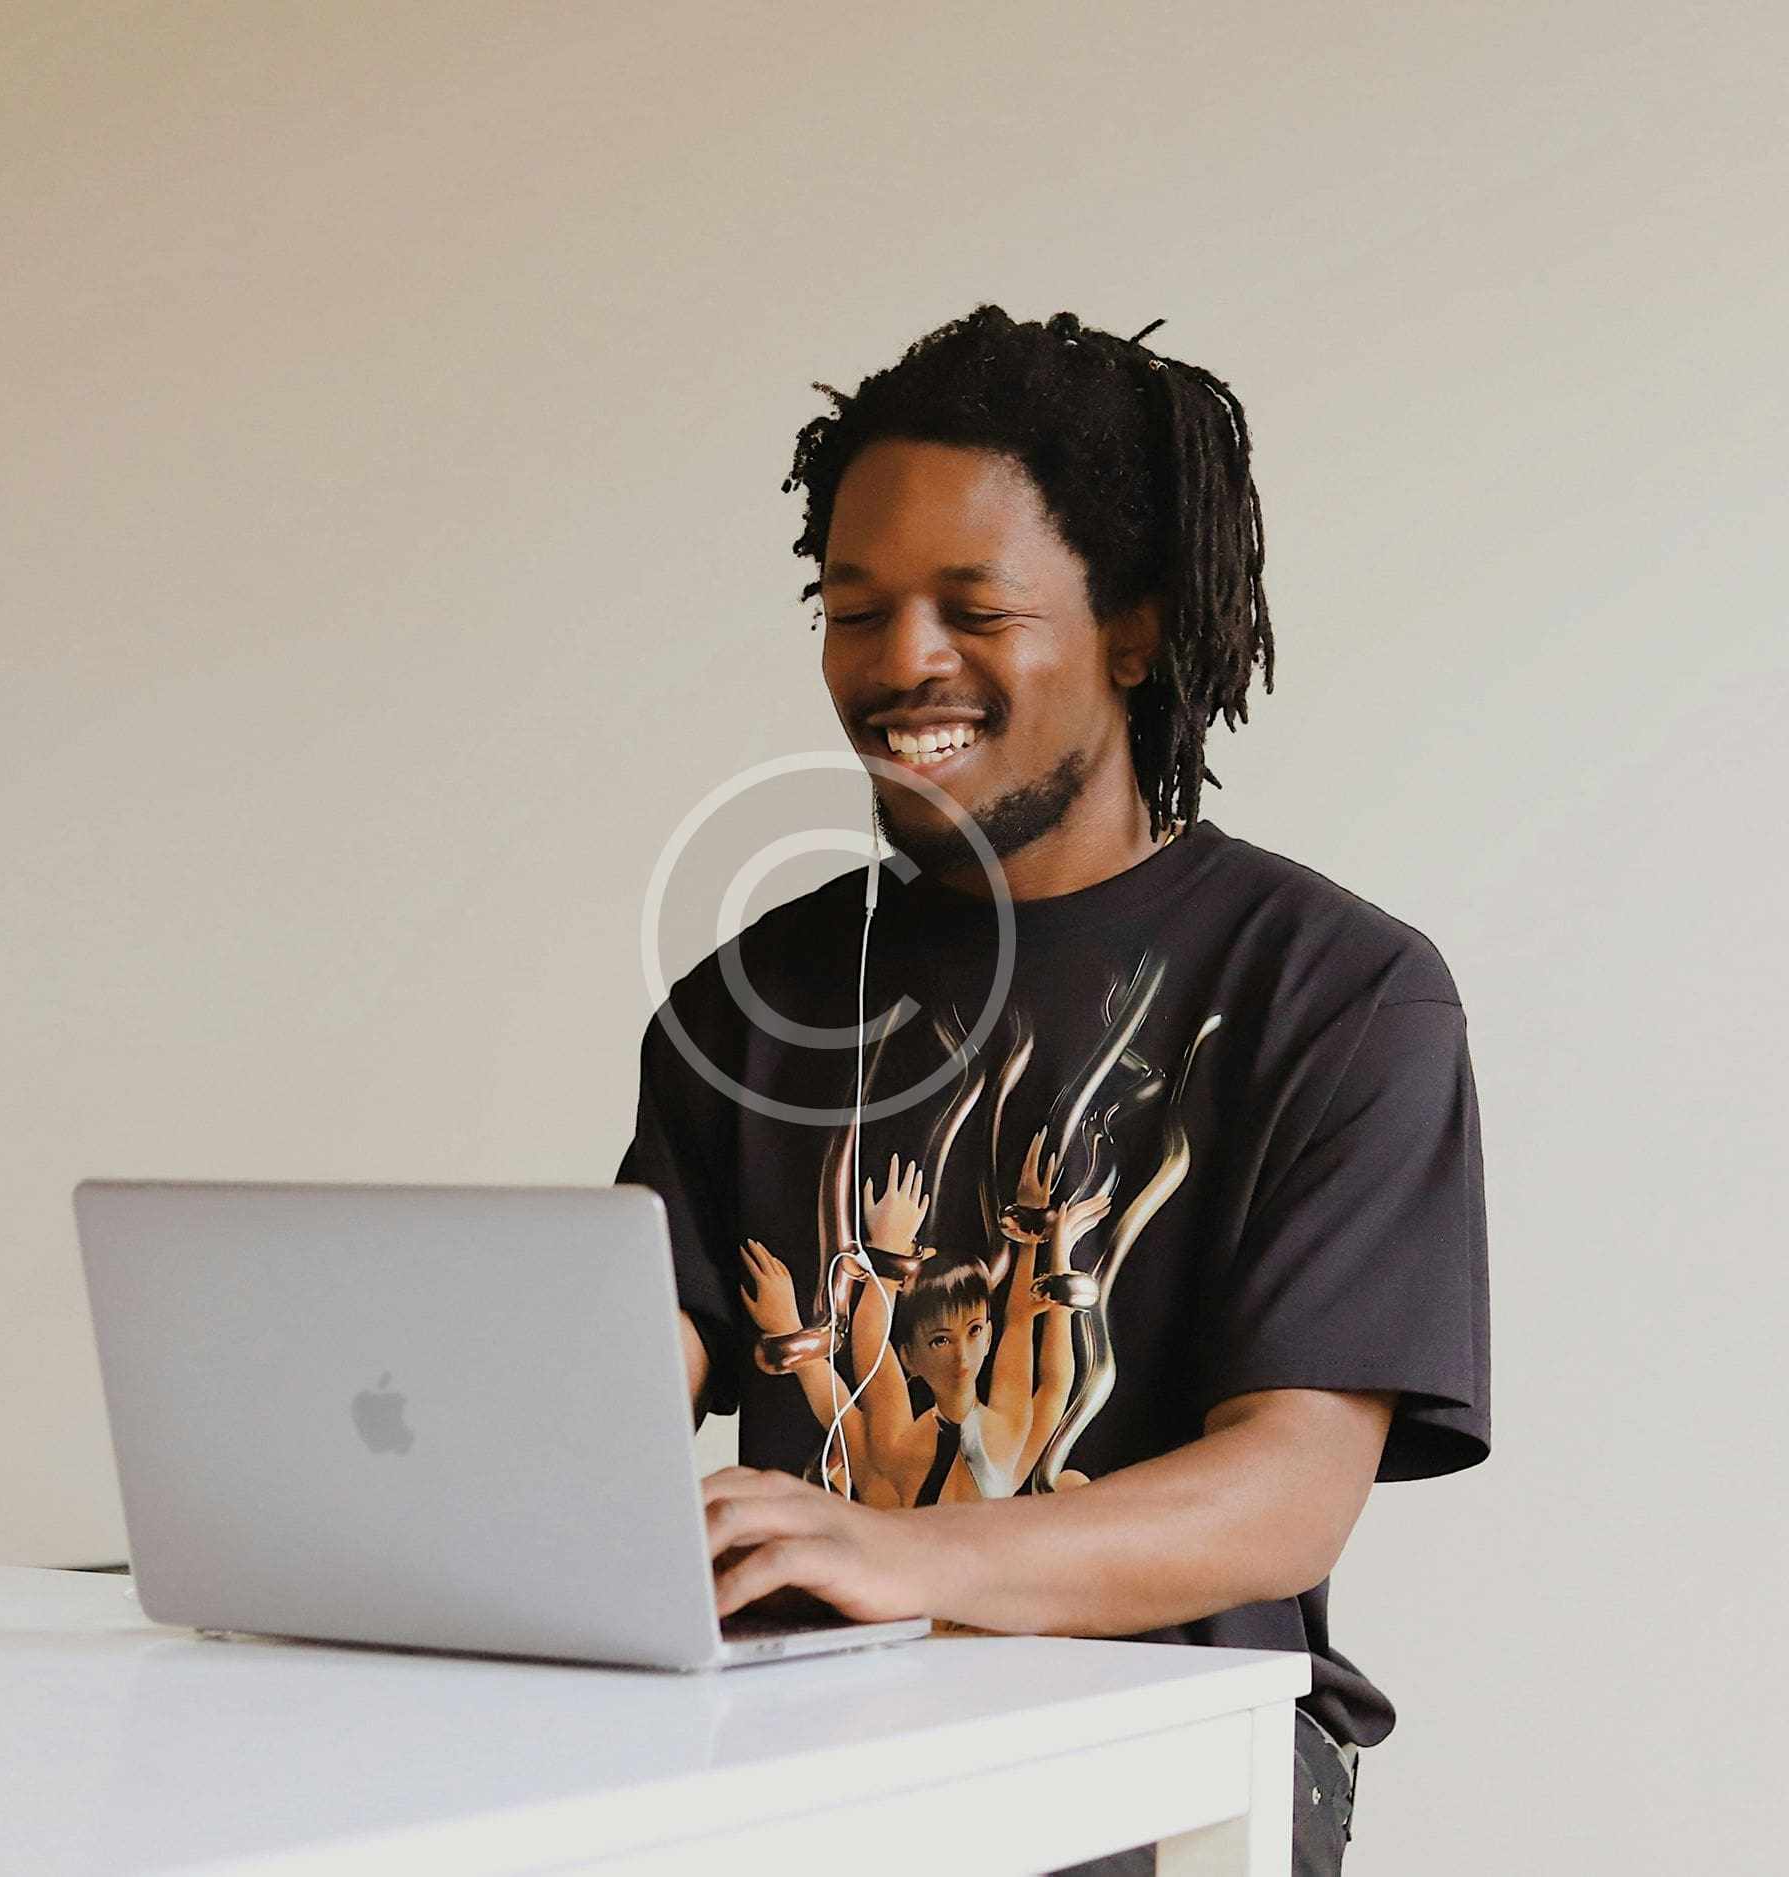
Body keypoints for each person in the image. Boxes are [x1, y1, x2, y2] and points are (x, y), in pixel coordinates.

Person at [616, 304, 1490, 1875]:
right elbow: (623, 1378)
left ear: (1132, 630)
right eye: (854, 608)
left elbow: (1288, 1490)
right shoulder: (742, 1007)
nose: (902, 662)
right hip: (804, 1750)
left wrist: (904, 1555)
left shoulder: (1338, 992)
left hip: (1163, 1767)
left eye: (974, 608)